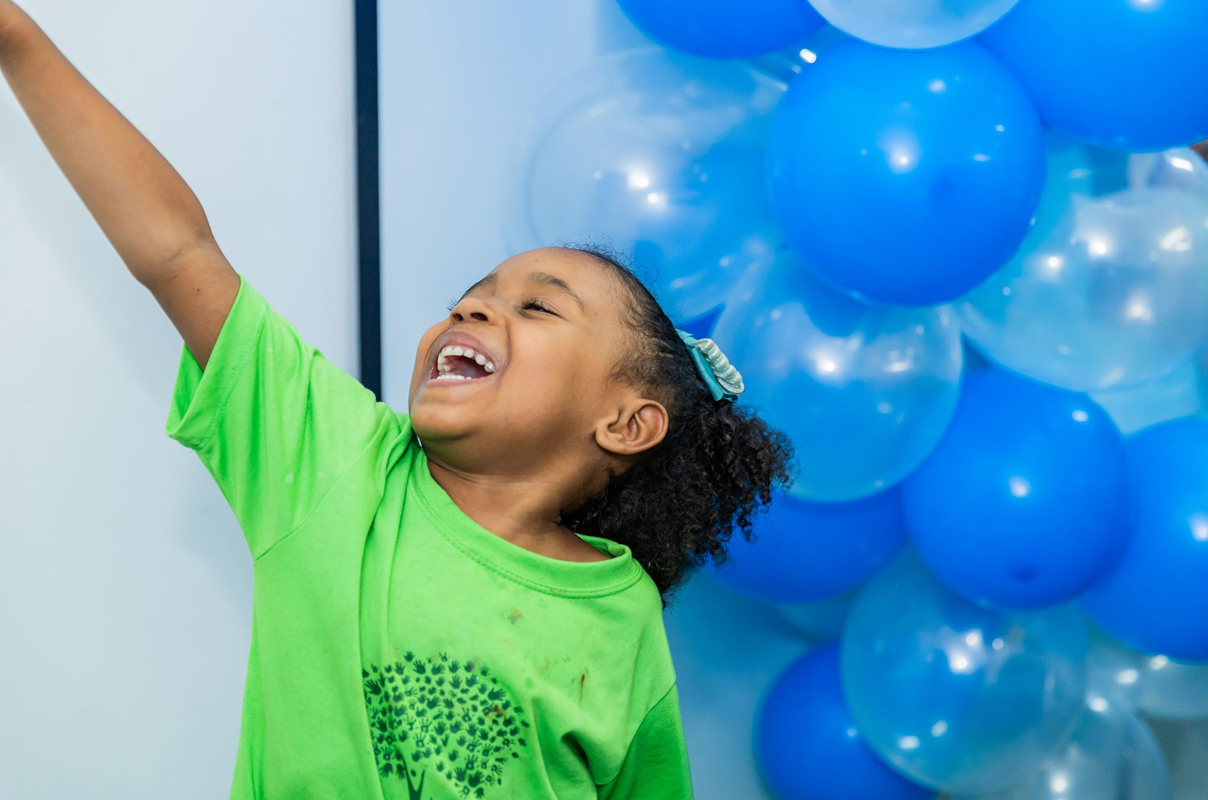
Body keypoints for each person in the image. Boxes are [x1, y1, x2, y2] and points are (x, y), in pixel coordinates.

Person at [0, 3, 795, 798]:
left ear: (626, 423)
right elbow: (178, 251)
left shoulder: (621, 612)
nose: (473, 310)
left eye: (539, 307)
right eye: (470, 297)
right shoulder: (333, 466)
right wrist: (17, 37)